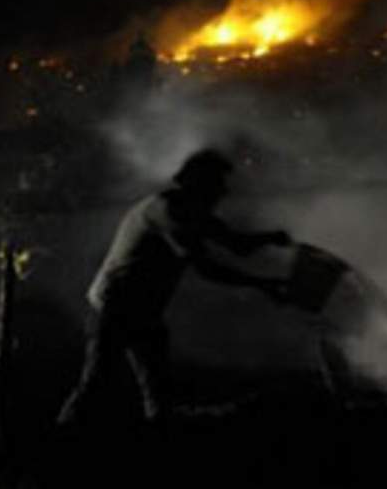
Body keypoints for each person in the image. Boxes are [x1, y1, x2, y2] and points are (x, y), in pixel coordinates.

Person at [56, 149, 292, 429]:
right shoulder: (169, 212)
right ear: (200, 183)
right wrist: (262, 284)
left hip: (141, 310)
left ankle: (153, 441)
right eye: (218, 185)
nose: (223, 193)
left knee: (154, 392)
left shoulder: (189, 209)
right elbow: (205, 267)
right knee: (97, 386)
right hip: (114, 308)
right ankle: (62, 440)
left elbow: (236, 244)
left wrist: (272, 238)